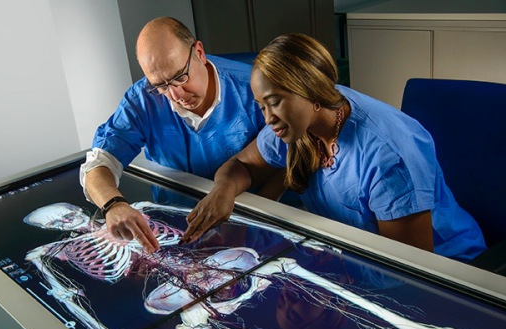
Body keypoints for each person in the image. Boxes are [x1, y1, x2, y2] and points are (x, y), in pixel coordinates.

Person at [182, 33, 486, 262]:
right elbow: (242, 166)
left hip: (446, 272)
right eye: (262, 106)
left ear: (311, 92)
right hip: (353, 255)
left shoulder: (389, 160)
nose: (268, 119)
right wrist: (223, 189)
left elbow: (410, 273)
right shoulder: (295, 122)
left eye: (274, 103)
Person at [79, 17, 275, 254]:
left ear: (199, 53)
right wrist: (113, 204)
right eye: (161, 85)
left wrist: (251, 223)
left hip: (253, 224)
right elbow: (99, 164)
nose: (176, 94)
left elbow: (289, 158)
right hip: (175, 233)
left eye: (180, 76)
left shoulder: (254, 86)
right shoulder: (142, 99)